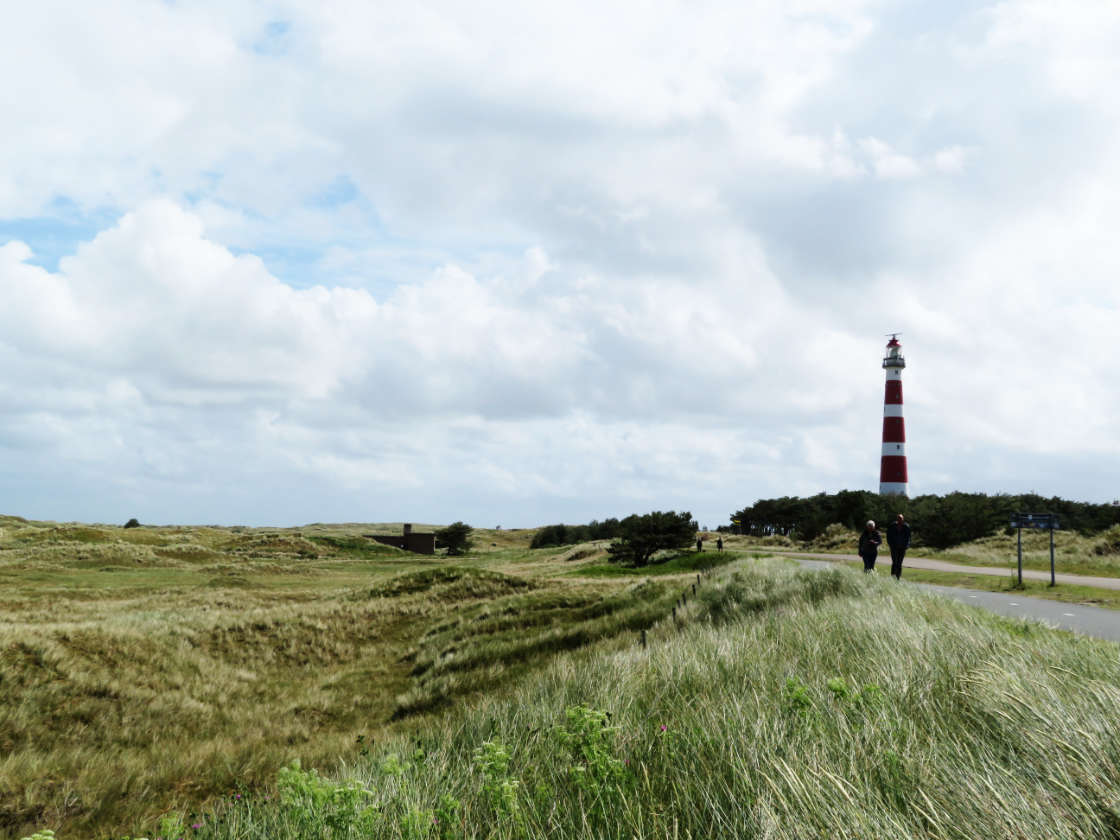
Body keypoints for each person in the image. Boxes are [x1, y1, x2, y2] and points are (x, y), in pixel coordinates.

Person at [886, 513, 911, 579]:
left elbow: (908, 537)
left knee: (899, 563)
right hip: (894, 547)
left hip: (902, 548)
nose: (900, 520)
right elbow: (888, 536)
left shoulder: (906, 527)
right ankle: (893, 576)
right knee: (894, 562)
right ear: (897, 519)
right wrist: (890, 544)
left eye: (901, 519)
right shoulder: (892, 526)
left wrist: (907, 545)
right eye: (898, 518)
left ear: (903, 519)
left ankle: (898, 577)